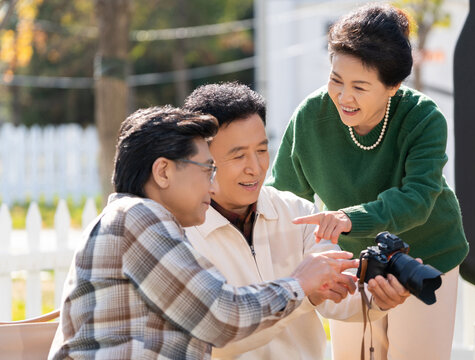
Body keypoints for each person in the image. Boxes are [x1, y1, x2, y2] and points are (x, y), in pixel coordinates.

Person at [48, 106, 361, 360]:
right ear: (163, 171)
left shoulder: (135, 222)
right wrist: (299, 283)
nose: (212, 186)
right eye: (206, 170)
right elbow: (221, 317)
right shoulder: (138, 216)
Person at [267, 4, 470, 360]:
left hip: (424, 255)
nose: (344, 97)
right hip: (351, 261)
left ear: (393, 86)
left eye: (360, 87)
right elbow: (282, 196)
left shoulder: (423, 118)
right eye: (335, 80)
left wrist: (347, 218)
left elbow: (419, 199)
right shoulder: (311, 116)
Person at [182, 82, 410, 359]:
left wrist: (377, 296)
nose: (255, 167)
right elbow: (214, 337)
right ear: (202, 158)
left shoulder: (296, 212)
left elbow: (340, 298)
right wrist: (300, 289)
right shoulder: (181, 233)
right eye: (239, 155)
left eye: (262, 150)